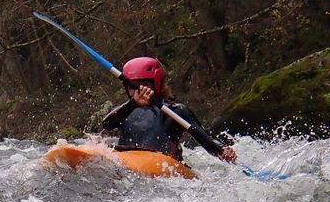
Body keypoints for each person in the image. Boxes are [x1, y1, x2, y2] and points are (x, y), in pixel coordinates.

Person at [101, 57, 236, 163]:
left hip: (164, 166)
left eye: (145, 85)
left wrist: (222, 149)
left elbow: (205, 138)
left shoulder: (176, 112)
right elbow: (107, 125)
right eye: (133, 87)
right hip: (128, 160)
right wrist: (132, 104)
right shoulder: (125, 110)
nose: (140, 91)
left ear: (157, 83)